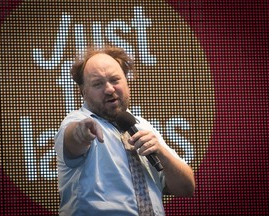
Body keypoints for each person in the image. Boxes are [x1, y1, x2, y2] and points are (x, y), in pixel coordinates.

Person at [54, 45, 195, 216]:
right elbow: (74, 138)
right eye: (98, 84)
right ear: (83, 92)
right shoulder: (77, 121)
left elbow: (186, 188)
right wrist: (81, 133)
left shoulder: (142, 126)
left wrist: (162, 154)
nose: (109, 89)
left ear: (127, 82)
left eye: (115, 80)